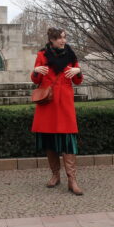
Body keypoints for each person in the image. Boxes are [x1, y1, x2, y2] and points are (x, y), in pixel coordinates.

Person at [31, 27, 84, 195]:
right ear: (52, 40)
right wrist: (35, 71)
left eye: (64, 37)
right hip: (48, 103)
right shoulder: (42, 55)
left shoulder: (71, 55)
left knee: (69, 141)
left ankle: (72, 179)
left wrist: (78, 70)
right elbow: (36, 79)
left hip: (65, 103)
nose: (63, 41)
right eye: (60, 38)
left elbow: (77, 81)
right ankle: (55, 175)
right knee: (49, 141)